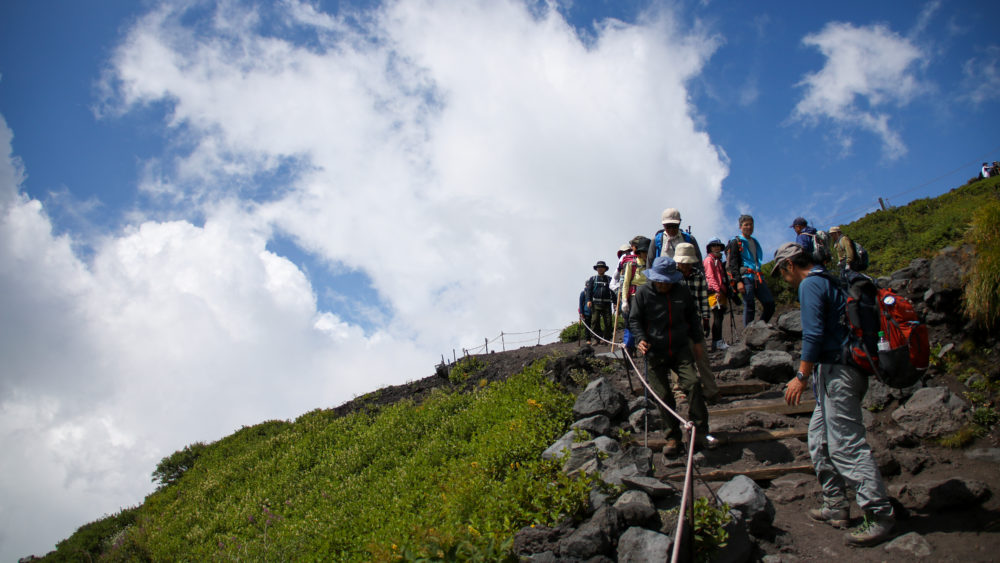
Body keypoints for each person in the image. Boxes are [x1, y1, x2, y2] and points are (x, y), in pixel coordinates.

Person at [775, 242, 895, 547]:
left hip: (837, 372)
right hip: (840, 371)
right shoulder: (830, 279)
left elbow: (813, 334)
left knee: (845, 446)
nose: (783, 278)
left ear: (790, 265)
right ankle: (836, 505)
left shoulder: (811, 284)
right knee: (819, 439)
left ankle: (879, 515)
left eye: (782, 272)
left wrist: (801, 376)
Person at [628, 256, 715, 456]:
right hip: (654, 351)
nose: (663, 285)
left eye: (667, 281)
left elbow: (692, 317)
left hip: (680, 347)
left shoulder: (682, 291)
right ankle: (672, 437)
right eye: (660, 280)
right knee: (663, 396)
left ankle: (700, 432)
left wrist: (698, 341)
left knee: (693, 384)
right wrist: (640, 338)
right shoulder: (643, 293)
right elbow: (634, 320)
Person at [675, 243, 719, 402]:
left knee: (702, 356)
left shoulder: (698, 275)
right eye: (683, 262)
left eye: (688, 262)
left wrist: (706, 319)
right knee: (679, 356)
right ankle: (679, 390)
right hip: (676, 322)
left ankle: (711, 390)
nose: (686, 266)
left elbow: (703, 300)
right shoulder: (672, 275)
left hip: (694, 320)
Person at [727, 214, 775, 326]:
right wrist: (738, 281)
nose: (749, 227)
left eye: (751, 224)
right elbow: (733, 263)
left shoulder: (754, 241)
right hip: (745, 277)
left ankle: (759, 329)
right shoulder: (736, 242)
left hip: (757, 277)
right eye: (746, 224)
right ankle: (748, 336)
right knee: (749, 305)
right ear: (740, 227)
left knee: (769, 303)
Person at [703, 238, 731, 351]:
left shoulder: (717, 260)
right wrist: (717, 290)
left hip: (720, 291)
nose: (716, 247)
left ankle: (717, 342)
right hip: (715, 292)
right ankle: (717, 342)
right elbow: (710, 276)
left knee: (720, 316)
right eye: (714, 245)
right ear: (710, 248)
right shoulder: (709, 260)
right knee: (718, 316)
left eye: (718, 245)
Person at [585, 261, 614, 342]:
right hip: (596, 304)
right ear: (596, 269)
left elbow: (613, 291)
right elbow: (589, 291)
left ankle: (607, 339)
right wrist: (588, 300)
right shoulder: (593, 279)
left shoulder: (609, 279)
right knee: (594, 321)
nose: (600, 268)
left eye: (602, 267)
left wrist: (615, 302)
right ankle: (597, 338)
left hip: (607, 304)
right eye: (598, 267)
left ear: (605, 269)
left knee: (608, 323)